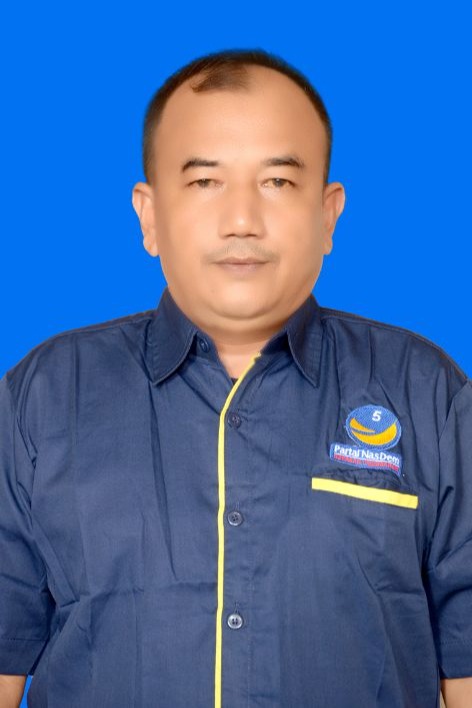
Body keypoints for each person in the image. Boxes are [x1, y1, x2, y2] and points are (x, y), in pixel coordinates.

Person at [0, 48, 470, 708]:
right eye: (204, 182)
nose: (242, 220)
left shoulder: (428, 394)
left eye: (277, 181)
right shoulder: (44, 397)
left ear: (328, 214)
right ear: (149, 216)